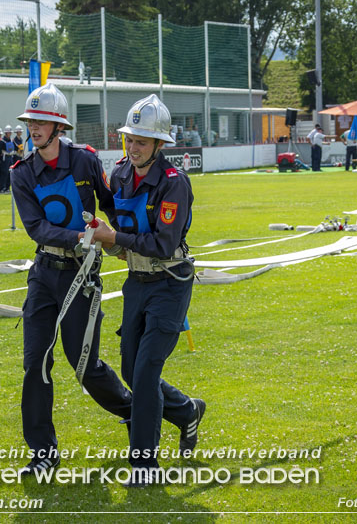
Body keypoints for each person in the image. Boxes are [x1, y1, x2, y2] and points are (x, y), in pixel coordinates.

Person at [10, 83, 134, 475]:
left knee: (85, 365)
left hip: (82, 276)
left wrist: (127, 240)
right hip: (44, 274)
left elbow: (112, 202)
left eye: (42, 121)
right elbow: (37, 228)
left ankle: (137, 413)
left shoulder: (84, 161)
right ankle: (43, 454)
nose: (34, 128)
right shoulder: (22, 173)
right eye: (31, 121)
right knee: (36, 363)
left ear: (58, 126)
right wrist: (83, 238)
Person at [90, 94, 205, 487]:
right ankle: (187, 411)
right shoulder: (119, 174)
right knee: (129, 368)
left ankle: (144, 465)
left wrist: (115, 236)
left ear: (159, 145)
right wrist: (106, 239)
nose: (133, 147)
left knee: (144, 371)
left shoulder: (175, 184)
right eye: (129, 139)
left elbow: (161, 243)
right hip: (136, 283)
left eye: (141, 140)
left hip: (170, 285)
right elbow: (120, 227)